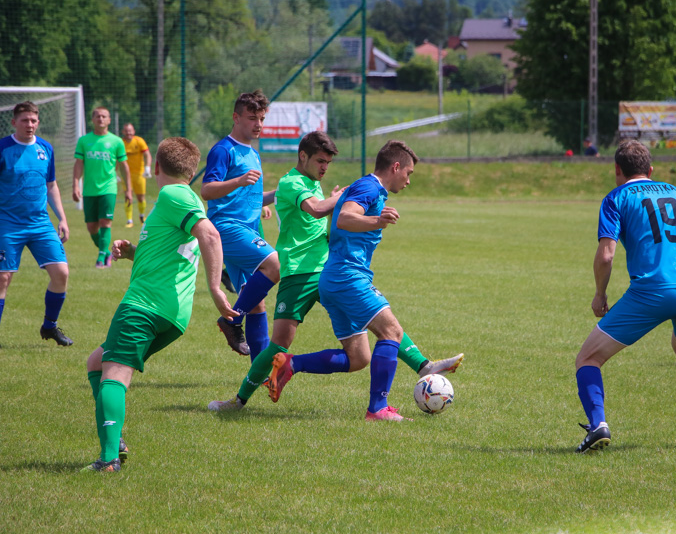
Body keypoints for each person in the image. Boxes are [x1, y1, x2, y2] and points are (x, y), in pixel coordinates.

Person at [208, 132, 463, 412]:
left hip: (326, 269)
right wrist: (342, 199)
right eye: (320, 161)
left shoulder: (313, 184)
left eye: (328, 163)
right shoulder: (291, 181)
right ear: (302, 156)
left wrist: (339, 200)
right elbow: (317, 211)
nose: (324, 167)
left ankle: (422, 365)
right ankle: (239, 400)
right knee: (279, 344)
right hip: (299, 272)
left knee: (361, 353)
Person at [81, 137, 236, 472]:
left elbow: (209, 236)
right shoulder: (185, 199)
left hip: (144, 305)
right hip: (171, 314)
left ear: (156, 167)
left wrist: (215, 288)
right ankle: (115, 440)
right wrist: (135, 252)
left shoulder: (172, 194)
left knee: (114, 374)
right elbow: (176, 249)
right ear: (192, 173)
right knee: (97, 363)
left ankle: (108, 460)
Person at [575, 140, 676, 453]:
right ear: (651, 170)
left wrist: (600, 294)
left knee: (588, 358)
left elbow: (606, 255)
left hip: (653, 290)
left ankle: (598, 426)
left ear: (617, 171)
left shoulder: (615, 198)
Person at [201, 90, 279, 359]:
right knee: (275, 264)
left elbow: (251, 195)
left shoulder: (253, 153)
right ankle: (231, 321)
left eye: (261, 118)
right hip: (227, 227)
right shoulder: (223, 150)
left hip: (248, 229)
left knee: (256, 300)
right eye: (251, 118)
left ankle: (260, 372)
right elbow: (207, 190)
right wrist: (238, 181)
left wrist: (274, 198)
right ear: (236, 117)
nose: (258, 124)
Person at [0, 101, 73, 347]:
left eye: (33, 120)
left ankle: (49, 327)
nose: (30, 125)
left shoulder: (46, 148)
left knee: (61, 273)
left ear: (38, 122)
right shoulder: (3, 148)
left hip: (40, 223)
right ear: (13, 122)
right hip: (7, 224)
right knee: (3, 278)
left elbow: (51, 186)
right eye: (24, 120)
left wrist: (62, 218)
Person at [72, 107, 133, 268]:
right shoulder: (84, 141)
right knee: (92, 227)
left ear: (109, 120)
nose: (101, 119)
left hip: (108, 188)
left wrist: (128, 189)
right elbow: (78, 164)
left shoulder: (116, 141)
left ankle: (101, 258)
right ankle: (106, 251)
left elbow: (124, 166)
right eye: (97, 116)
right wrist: (75, 185)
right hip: (89, 189)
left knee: (105, 222)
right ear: (92, 119)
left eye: (104, 116)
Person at [121, 123, 152, 228]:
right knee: (127, 196)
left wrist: (147, 167)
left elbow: (147, 154)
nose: (128, 133)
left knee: (140, 197)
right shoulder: (121, 143)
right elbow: (117, 159)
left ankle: (142, 217)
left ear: (133, 131)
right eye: (126, 130)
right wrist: (116, 171)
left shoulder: (139, 141)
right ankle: (129, 220)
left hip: (139, 174)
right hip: (126, 175)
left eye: (130, 130)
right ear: (123, 132)